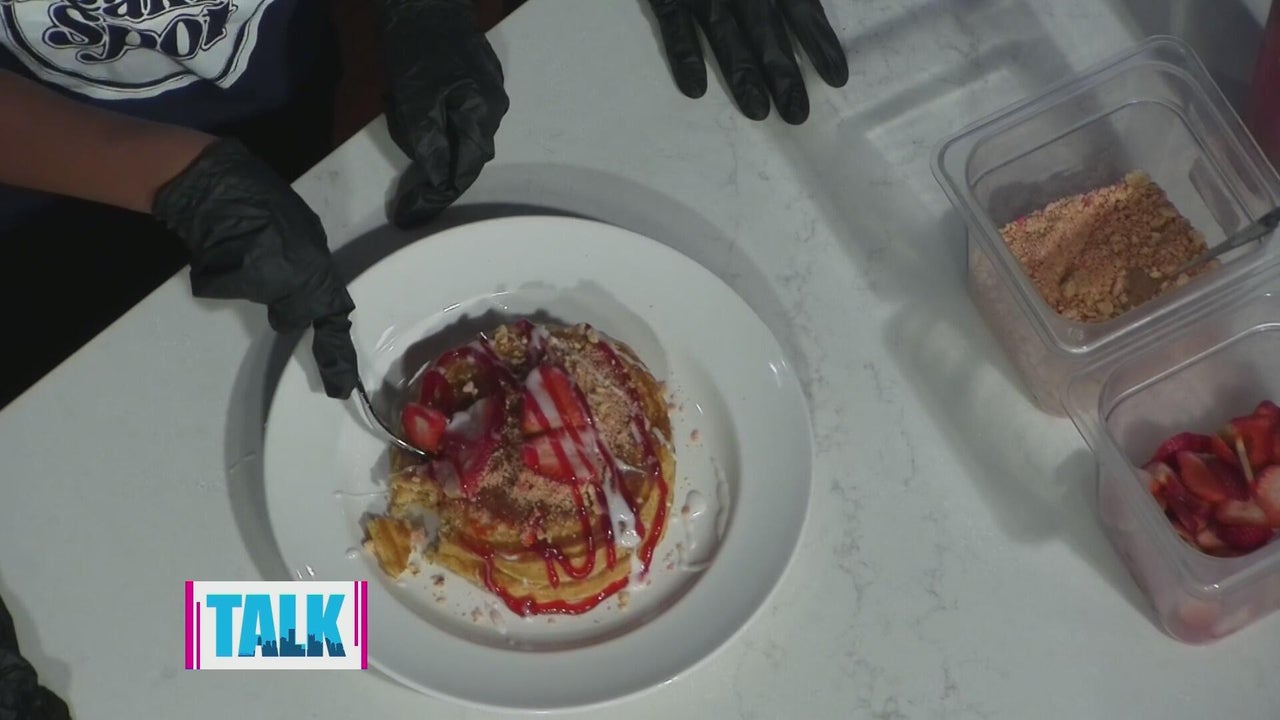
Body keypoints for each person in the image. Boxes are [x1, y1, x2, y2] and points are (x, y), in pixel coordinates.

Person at [0, 1, 846, 716]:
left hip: (279, 109)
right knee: (171, 607)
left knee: (223, 635)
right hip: (44, 228)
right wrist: (167, 172)